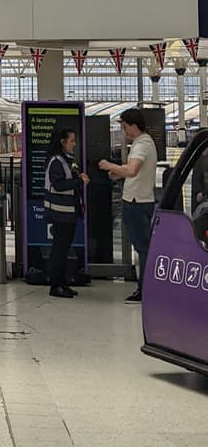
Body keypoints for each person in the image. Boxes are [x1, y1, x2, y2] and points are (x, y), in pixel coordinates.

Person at [99, 107, 158, 303]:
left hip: (136, 203)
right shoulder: (146, 143)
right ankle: (147, 287)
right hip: (142, 200)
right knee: (143, 246)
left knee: (142, 248)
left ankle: (145, 288)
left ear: (133, 125)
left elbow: (132, 170)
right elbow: (132, 170)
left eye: (124, 126)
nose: (124, 131)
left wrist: (109, 166)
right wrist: (119, 171)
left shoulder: (141, 145)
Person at [44, 128, 89, 298]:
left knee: (63, 249)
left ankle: (62, 283)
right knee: (59, 250)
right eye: (71, 141)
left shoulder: (66, 160)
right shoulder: (56, 161)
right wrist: (79, 181)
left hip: (68, 212)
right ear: (62, 142)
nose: (74, 144)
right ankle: (56, 285)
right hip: (60, 212)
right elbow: (59, 185)